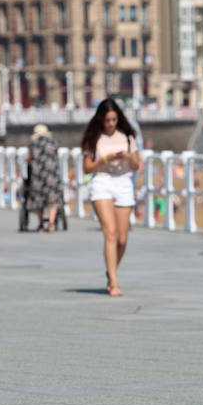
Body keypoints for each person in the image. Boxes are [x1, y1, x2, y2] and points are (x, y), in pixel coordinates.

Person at [81, 98, 140, 297]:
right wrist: (105, 159)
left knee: (122, 239)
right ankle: (113, 282)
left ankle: (111, 270)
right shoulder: (93, 138)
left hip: (124, 181)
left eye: (114, 119)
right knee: (111, 233)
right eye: (107, 120)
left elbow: (136, 165)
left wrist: (127, 156)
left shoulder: (127, 137)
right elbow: (87, 168)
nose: (111, 124)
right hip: (102, 181)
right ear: (101, 119)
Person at [26, 124, 63, 232]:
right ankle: (51, 224)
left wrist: (27, 161)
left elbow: (30, 157)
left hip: (38, 175)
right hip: (52, 174)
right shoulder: (54, 141)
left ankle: (41, 224)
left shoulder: (34, 143)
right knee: (53, 200)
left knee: (39, 200)